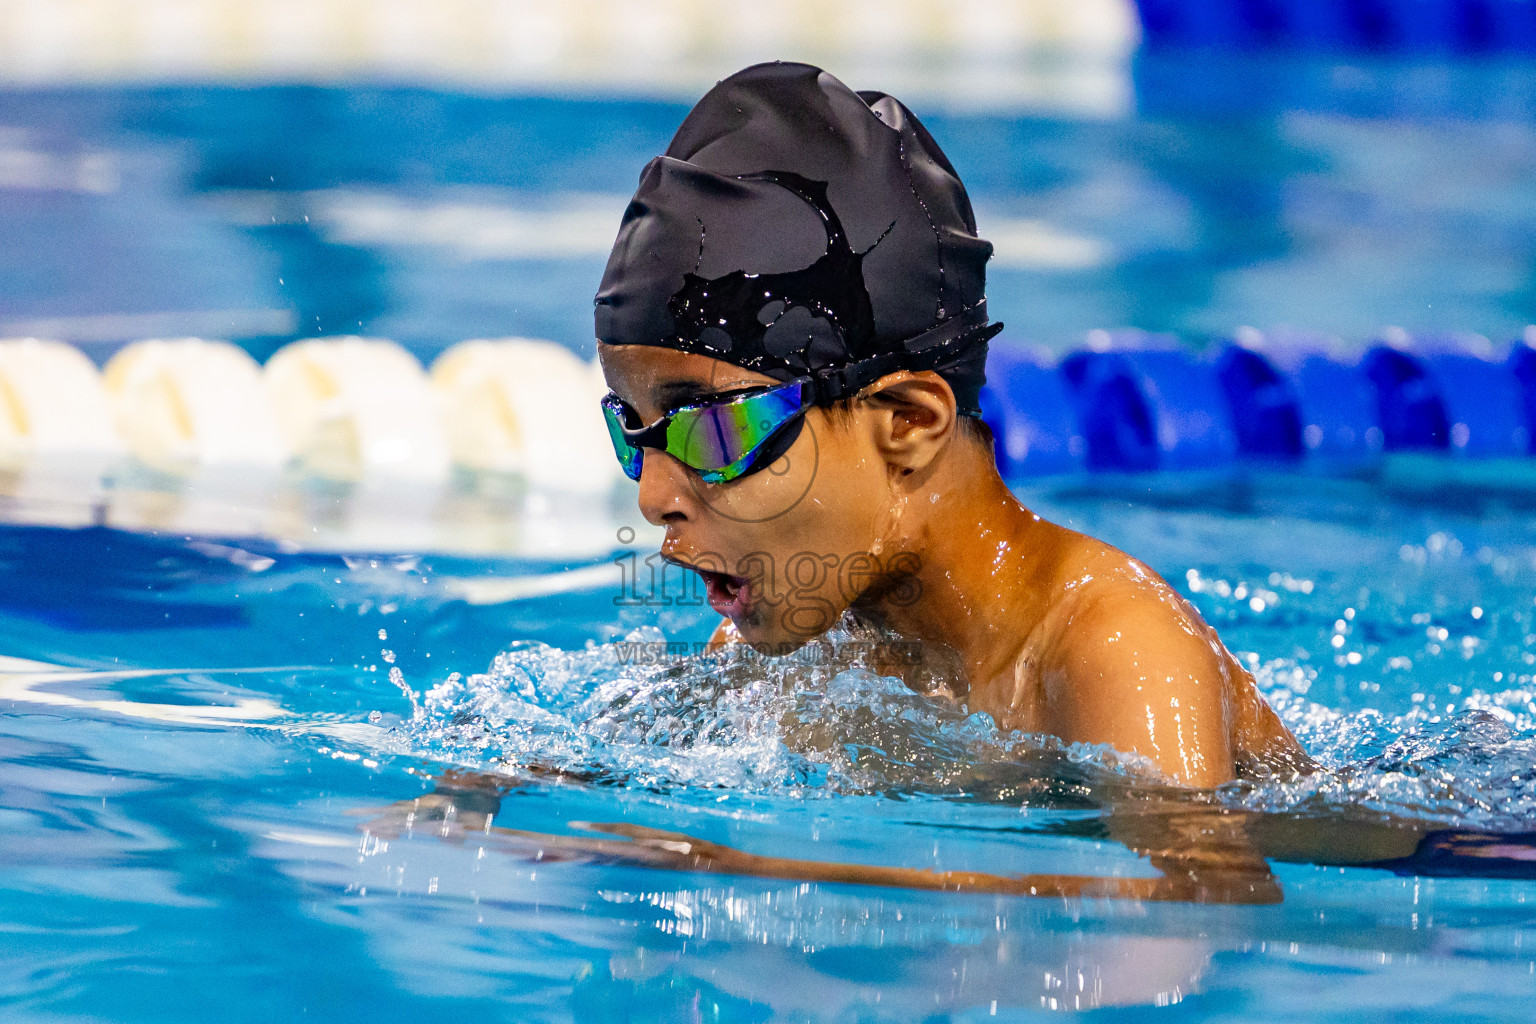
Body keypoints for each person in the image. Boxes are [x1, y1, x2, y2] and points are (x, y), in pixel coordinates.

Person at [593, 61, 1305, 789]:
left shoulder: (1117, 649)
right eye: (632, 429)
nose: (652, 498)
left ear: (907, 422)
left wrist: (752, 863)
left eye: (711, 431)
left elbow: (1195, 896)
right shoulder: (796, 648)